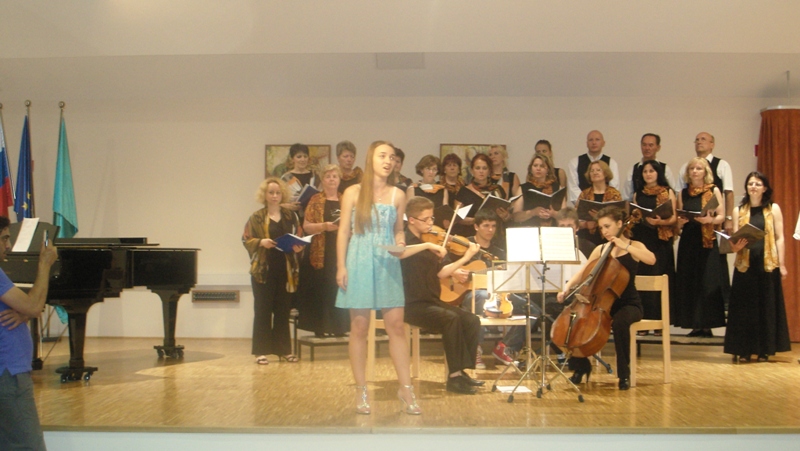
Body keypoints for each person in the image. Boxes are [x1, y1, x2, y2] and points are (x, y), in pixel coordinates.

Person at [335, 141, 418, 415]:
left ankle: (406, 389)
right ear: (371, 158)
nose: (388, 161)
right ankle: (361, 391)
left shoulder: (398, 194)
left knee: (396, 327)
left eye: (392, 157)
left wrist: (400, 241)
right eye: (382, 156)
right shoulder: (352, 192)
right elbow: (343, 231)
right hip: (358, 259)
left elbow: (398, 230)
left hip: (387, 261)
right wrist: (341, 266)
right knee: (359, 327)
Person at [556, 207, 655, 391]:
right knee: (575, 322)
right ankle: (580, 366)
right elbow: (583, 273)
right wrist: (566, 288)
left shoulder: (634, 246)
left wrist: (624, 246)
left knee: (620, 323)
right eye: (601, 228)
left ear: (620, 224)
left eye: (607, 226)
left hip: (628, 304)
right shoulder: (601, 249)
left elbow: (651, 259)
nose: (604, 231)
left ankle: (624, 374)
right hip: (601, 304)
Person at [401, 197, 485, 395]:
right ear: (411, 220)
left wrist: (466, 257)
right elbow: (397, 252)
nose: (431, 223)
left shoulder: (431, 241)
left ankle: (461, 372)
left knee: (471, 320)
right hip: (411, 304)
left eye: (432, 218)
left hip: (431, 300)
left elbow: (441, 273)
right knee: (451, 319)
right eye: (426, 219)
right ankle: (454, 378)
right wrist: (427, 246)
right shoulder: (404, 240)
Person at [0, 217, 57, 451]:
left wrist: (22, 313)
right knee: (27, 446)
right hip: (7, 374)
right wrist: (44, 264)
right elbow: (34, 306)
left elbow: (27, 308)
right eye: (4, 239)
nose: (8, 245)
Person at [723, 172, 791, 363]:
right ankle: (744, 350)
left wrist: (782, 264)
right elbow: (735, 240)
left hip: (767, 264)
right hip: (745, 266)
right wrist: (734, 247)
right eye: (750, 183)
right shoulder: (738, 210)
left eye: (758, 184)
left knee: (766, 308)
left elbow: (780, 237)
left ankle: (764, 350)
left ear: (765, 188)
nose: (753, 187)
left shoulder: (773, 208)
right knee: (745, 309)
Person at [243, 177, 304, 365]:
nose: (275, 196)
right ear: (265, 195)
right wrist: (261, 242)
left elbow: (299, 236)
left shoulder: (290, 216)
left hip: (286, 271)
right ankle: (260, 352)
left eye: (278, 193)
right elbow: (246, 239)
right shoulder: (256, 217)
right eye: (271, 192)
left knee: (282, 311)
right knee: (262, 310)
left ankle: (284, 350)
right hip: (263, 271)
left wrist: (298, 247)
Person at [673, 157, 728, 338]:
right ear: (688, 173)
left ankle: (707, 325)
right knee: (690, 281)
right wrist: (680, 222)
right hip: (689, 241)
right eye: (692, 169)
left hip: (706, 241)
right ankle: (694, 324)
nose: (695, 171)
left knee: (707, 282)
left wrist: (709, 220)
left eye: (699, 168)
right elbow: (679, 218)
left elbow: (721, 216)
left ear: (705, 172)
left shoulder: (713, 190)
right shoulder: (683, 193)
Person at [299, 164, 349, 337]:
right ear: (322, 179)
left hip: (341, 251)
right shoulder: (315, 200)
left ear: (339, 179)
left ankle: (340, 328)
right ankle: (320, 328)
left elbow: (355, 225)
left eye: (335, 176)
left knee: (339, 288)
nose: (332, 179)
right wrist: (324, 226)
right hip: (320, 250)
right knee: (321, 289)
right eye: (328, 176)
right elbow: (306, 226)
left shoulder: (345, 199)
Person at [631, 160, 677, 335]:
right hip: (643, 239)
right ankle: (643, 322)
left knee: (659, 279)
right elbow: (634, 216)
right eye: (645, 171)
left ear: (658, 173)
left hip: (660, 241)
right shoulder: (638, 193)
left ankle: (659, 323)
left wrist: (660, 222)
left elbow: (674, 218)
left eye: (651, 171)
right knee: (643, 280)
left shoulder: (667, 191)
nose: (648, 174)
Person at [678, 133, 735, 235]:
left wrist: (729, 218)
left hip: (712, 225)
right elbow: (680, 193)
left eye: (703, 139)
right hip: (689, 227)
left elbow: (729, 193)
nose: (699, 142)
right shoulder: (685, 167)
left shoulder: (722, 165)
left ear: (712, 144)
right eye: (697, 140)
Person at [453, 154, 511, 239]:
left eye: (484, 168)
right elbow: (456, 218)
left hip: (495, 235)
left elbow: (508, 214)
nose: (481, 171)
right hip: (471, 236)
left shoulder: (498, 190)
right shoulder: (464, 191)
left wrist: (506, 216)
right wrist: (476, 220)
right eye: (478, 168)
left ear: (489, 171)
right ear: (472, 170)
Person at [575, 160, 623, 247]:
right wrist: (585, 224)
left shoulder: (614, 193)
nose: (595, 173)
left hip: (609, 237)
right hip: (587, 237)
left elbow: (620, 218)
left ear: (605, 173)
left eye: (598, 170)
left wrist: (599, 217)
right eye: (592, 171)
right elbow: (575, 218)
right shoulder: (584, 194)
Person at [567, 130, 620, 204]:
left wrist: (604, 207)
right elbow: (573, 187)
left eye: (597, 139)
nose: (594, 142)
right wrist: (585, 205)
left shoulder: (611, 162)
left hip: (607, 207)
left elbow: (614, 186)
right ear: (586, 143)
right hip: (583, 206)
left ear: (603, 143)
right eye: (591, 140)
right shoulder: (575, 162)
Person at [512, 152, 564, 227]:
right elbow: (516, 217)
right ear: (531, 169)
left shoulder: (557, 188)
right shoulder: (523, 188)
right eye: (535, 165)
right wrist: (533, 212)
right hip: (530, 229)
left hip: (553, 228)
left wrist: (553, 213)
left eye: (542, 166)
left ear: (548, 170)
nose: (538, 169)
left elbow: (566, 216)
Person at [622, 133, 679, 200]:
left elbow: (673, 194)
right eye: (644, 145)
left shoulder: (665, 169)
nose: (647, 148)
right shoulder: (633, 169)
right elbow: (627, 197)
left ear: (658, 147)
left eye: (651, 145)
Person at [407, 155, 449, 228]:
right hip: (418, 229)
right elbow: (408, 214)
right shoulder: (413, 189)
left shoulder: (442, 190)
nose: (431, 172)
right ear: (421, 170)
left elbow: (446, 213)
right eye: (428, 169)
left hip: (438, 229)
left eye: (434, 169)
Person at [281, 143, 320, 217]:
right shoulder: (286, 178)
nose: (303, 159)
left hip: (313, 216)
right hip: (292, 216)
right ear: (292, 159)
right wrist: (289, 206)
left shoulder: (315, 177)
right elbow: (278, 202)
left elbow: (322, 195)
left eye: (305, 156)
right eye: (299, 157)